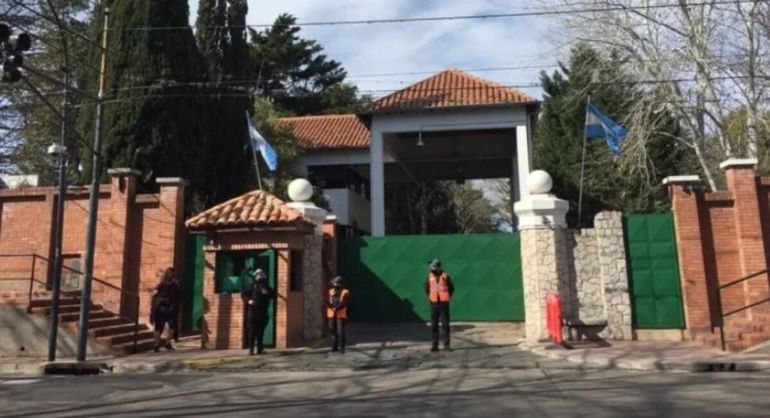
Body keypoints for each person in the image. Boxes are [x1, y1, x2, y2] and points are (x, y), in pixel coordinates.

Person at [241, 268, 276, 355]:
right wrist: (249, 301)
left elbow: (272, 295)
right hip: (252, 312)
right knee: (252, 331)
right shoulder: (251, 286)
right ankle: (251, 350)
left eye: (261, 275)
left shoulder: (265, 286)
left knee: (260, 332)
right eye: (258, 275)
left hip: (262, 312)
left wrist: (266, 291)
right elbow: (244, 295)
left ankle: (260, 349)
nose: (260, 277)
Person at [425, 259, 454, 352]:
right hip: (434, 303)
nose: (432, 269)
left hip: (444, 303)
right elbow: (427, 289)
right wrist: (431, 297)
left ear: (438, 267)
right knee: (434, 325)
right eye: (431, 267)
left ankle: (446, 345)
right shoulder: (430, 276)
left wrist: (446, 297)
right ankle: (435, 345)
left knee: (445, 325)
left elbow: (451, 288)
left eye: (434, 267)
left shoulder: (445, 276)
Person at [150, 267, 180, 352]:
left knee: (172, 326)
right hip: (160, 308)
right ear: (167, 274)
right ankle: (156, 345)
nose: (172, 274)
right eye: (170, 273)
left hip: (170, 308)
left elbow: (177, 296)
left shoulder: (175, 285)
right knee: (158, 327)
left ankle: (167, 343)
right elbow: (153, 295)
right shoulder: (160, 285)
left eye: (173, 273)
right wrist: (153, 305)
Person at [326, 276, 350, 353]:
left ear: (340, 284)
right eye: (334, 283)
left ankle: (342, 347)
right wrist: (332, 307)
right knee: (332, 330)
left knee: (340, 331)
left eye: (336, 283)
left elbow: (344, 302)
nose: (335, 284)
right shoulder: (330, 291)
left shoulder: (345, 292)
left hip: (340, 314)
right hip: (331, 313)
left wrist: (337, 308)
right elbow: (327, 301)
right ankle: (334, 346)